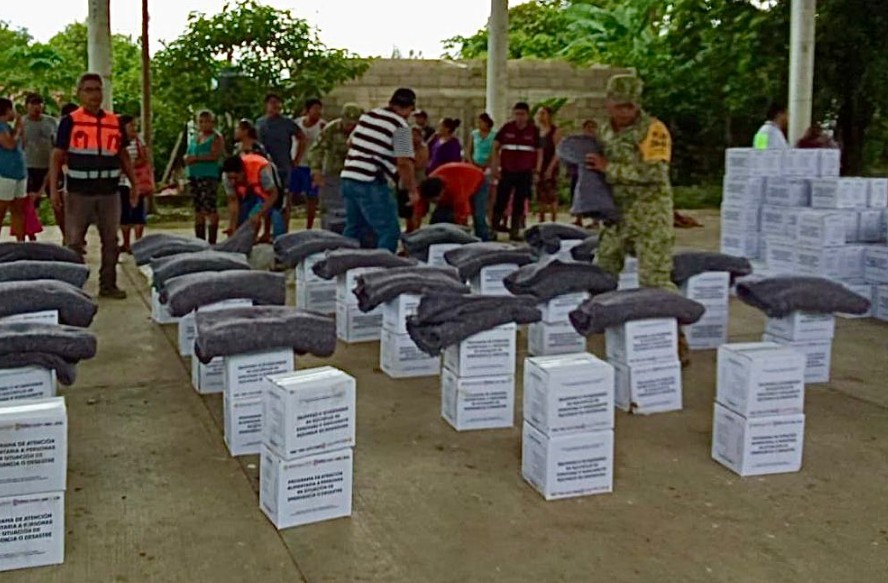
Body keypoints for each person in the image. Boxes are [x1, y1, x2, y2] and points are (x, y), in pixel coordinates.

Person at [585, 74, 686, 364]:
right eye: (619, 106)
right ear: (609, 103)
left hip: (650, 215)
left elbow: (654, 174)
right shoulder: (604, 131)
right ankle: (604, 329)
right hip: (616, 215)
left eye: (629, 107)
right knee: (601, 271)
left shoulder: (654, 130)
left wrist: (608, 168)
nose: (624, 112)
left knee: (655, 279)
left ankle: (676, 336)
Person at [50, 73, 137, 299]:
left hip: (109, 192)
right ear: (79, 93)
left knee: (111, 241)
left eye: (97, 89)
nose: (94, 95)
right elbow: (57, 157)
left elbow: (123, 155)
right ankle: (73, 288)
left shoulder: (114, 121)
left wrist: (134, 184)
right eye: (88, 90)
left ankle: (108, 285)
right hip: (79, 193)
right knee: (75, 242)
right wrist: (53, 190)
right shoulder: (70, 121)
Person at [340, 88, 418, 252]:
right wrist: (412, 190)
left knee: (354, 228)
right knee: (389, 231)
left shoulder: (368, 116)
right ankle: (381, 272)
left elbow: (350, 143)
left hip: (349, 176)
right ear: (409, 107)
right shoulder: (401, 126)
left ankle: (342, 267)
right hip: (370, 180)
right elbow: (404, 162)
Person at [490, 102, 542, 241]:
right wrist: (495, 166)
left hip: (524, 172)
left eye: (522, 114)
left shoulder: (533, 131)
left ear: (527, 115)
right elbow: (495, 147)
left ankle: (514, 231)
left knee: (519, 202)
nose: (519, 117)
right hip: (507, 171)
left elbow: (539, 151)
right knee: (501, 200)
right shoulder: (507, 128)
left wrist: (537, 171)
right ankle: (493, 229)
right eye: (517, 114)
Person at [256, 93, 306, 234]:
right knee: (267, 198)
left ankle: (283, 231)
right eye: (272, 103)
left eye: (278, 103)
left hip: (284, 165)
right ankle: (266, 232)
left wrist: (297, 158)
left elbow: (301, 137)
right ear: (266, 105)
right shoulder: (260, 123)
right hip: (266, 166)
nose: (275, 106)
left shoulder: (287, 123)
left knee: (284, 200)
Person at [307, 103, 364, 228]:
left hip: (355, 175)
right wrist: (316, 171)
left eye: (354, 124)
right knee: (329, 208)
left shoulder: (364, 130)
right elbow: (316, 150)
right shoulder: (331, 129)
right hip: (332, 173)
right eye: (348, 123)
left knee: (353, 208)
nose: (350, 127)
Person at [21, 94, 60, 238]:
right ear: (27, 106)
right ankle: (29, 235)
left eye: (39, 104)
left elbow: (57, 144)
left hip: (49, 167)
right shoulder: (21, 123)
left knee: (58, 203)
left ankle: (67, 236)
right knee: (29, 204)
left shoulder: (51, 122)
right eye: (33, 104)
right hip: (28, 167)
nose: (37, 107)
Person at [184, 110, 225, 243]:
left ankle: (212, 239)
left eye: (207, 121)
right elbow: (188, 152)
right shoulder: (196, 137)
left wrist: (196, 158)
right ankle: (199, 239)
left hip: (208, 175)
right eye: (201, 121)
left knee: (209, 207)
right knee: (198, 208)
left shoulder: (216, 137)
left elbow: (215, 155)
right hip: (194, 174)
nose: (204, 124)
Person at [221, 153, 283, 238]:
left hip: (268, 186)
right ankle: (249, 238)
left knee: (275, 212)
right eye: (230, 178)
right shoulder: (225, 176)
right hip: (249, 189)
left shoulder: (262, 170)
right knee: (244, 217)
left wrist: (259, 213)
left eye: (235, 178)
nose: (232, 182)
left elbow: (274, 194)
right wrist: (232, 226)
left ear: (242, 172)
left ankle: (278, 237)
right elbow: (233, 201)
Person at [414, 162, 486, 233]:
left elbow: (462, 215)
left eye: (435, 201)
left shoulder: (457, 191)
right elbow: (418, 214)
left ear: (442, 192)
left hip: (477, 178)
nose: (435, 203)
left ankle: (484, 239)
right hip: (455, 175)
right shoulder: (425, 189)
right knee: (439, 218)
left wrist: (463, 234)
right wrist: (415, 233)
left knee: (478, 217)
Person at [117, 115, 150, 252]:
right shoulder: (117, 142)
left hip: (137, 181)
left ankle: (138, 242)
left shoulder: (138, 141)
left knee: (138, 212)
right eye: (131, 126)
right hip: (121, 182)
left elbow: (144, 158)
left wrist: (129, 166)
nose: (134, 129)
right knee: (125, 213)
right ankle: (126, 243)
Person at [293, 98, 326, 230]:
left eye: (319, 109)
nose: (318, 112)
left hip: (312, 166)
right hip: (297, 164)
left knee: (312, 197)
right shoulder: (297, 124)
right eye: (315, 109)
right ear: (307, 110)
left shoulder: (323, 126)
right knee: (291, 194)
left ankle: (309, 227)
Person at [464, 113, 495, 240]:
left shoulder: (494, 135)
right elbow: (468, 150)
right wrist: (471, 162)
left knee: (486, 198)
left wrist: (487, 164)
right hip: (474, 166)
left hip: (487, 167)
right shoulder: (474, 134)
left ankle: (486, 227)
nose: (479, 124)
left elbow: (494, 151)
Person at [0, 98, 27, 241]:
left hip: (19, 173)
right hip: (4, 173)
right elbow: (9, 144)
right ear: (7, 110)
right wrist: (17, 130)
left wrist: (20, 130)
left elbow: (23, 144)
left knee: (18, 210)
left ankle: (20, 242)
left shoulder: (8, 127)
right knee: (2, 209)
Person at [398, 126, 429, 233]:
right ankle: (409, 230)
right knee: (407, 211)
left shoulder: (423, 148)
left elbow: (420, 163)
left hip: (418, 182)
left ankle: (416, 231)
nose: (413, 137)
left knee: (417, 210)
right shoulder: (404, 147)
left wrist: (409, 162)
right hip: (405, 181)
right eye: (411, 134)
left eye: (416, 135)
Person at [536, 106, 563, 223]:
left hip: (550, 164)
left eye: (543, 113)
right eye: (539, 114)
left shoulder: (555, 131)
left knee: (551, 193)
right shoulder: (536, 131)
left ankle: (553, 219)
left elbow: (558, 151)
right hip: (538, 165)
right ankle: (541, 218)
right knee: (540, 193)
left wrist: (550, 168)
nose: (540, 116)